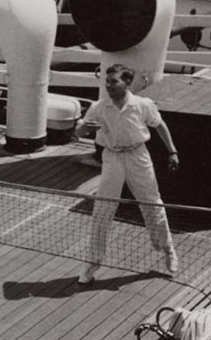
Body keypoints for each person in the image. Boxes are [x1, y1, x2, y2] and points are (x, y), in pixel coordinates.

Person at [76, 64, 180, 285]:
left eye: (114, 81)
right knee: (103, 209)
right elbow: (79, 130)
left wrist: (172, 151)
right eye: (107, 81)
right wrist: (84, 130)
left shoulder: (142, 105)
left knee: (152, 204)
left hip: (138, 156)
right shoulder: (98, 107)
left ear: (127, 82)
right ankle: (92, 264)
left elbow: (160, 125)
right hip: (112, 158)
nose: (109, 85)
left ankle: (168, 249)